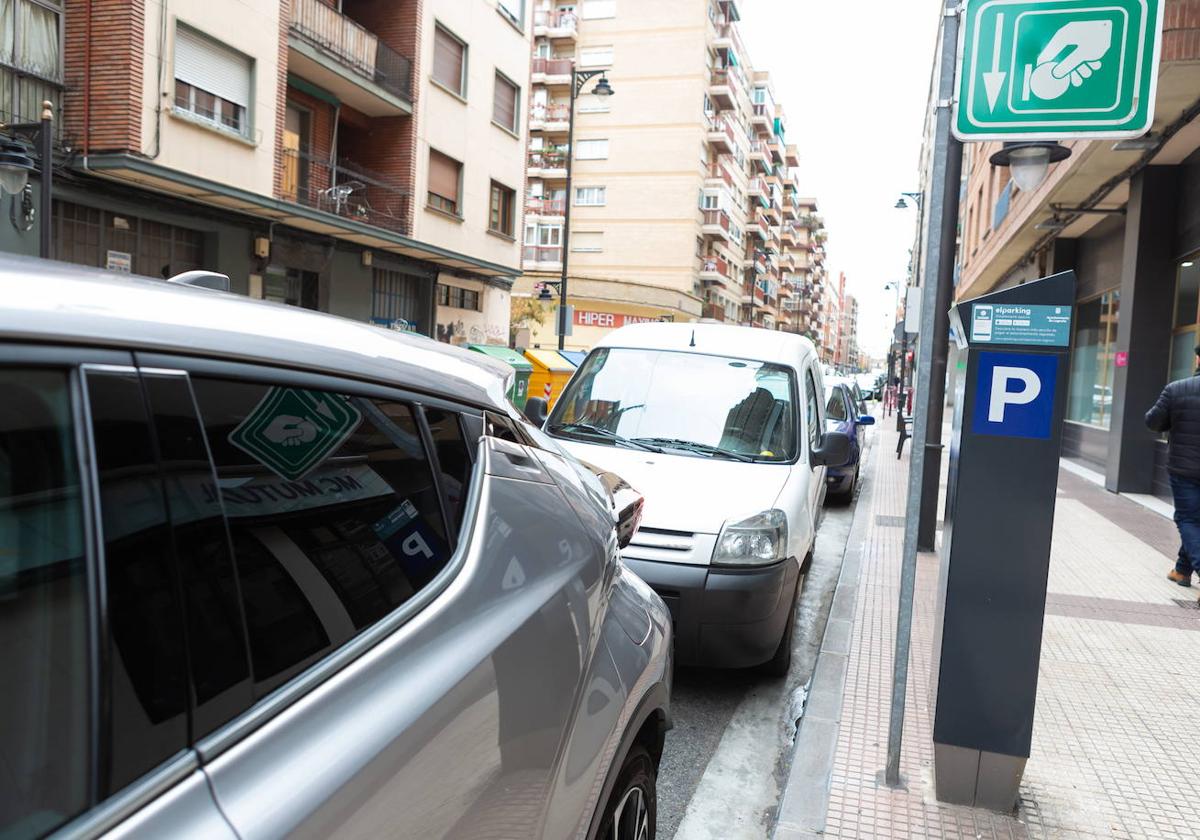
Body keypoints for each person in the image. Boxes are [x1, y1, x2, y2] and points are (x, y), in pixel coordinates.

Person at [1145, 346, 1200, 592]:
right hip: (1185, 468)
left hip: (1184, 468)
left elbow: (1153, 421)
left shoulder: (1177, 389)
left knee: (1188, 518)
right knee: (1195, 520)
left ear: (1198, 359)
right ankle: (1181, 570)